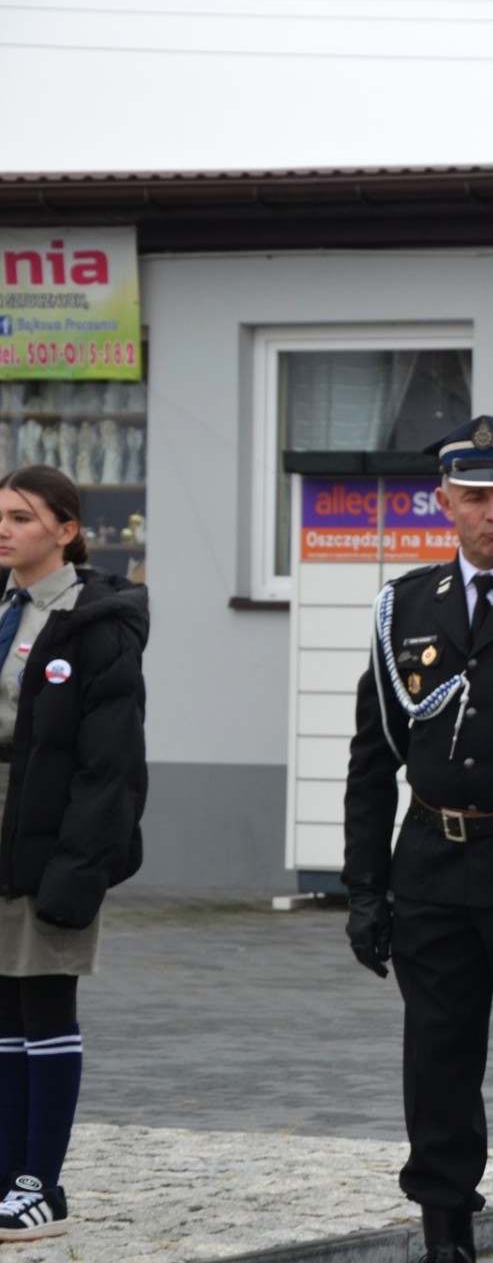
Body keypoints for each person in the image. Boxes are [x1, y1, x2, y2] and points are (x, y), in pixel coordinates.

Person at [342, 417, 493, 1263]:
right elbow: (373, 758)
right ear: (442, 502)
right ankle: (445, 1227)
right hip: (435, 869)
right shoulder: (404, 604)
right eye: (475, 497)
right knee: (437, 1062)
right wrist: (365, 888)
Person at [0, 466, 147, 1243]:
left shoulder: (96, 621)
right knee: (2, 1011)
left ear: (65, 529)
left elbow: (110, 762)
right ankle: (7, 1174)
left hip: (51, 837)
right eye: (0, 515)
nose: (5, 529)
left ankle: (38, 1182)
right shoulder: (3, 609)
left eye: (21, 517)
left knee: (44, 1005)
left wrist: (80, 866)